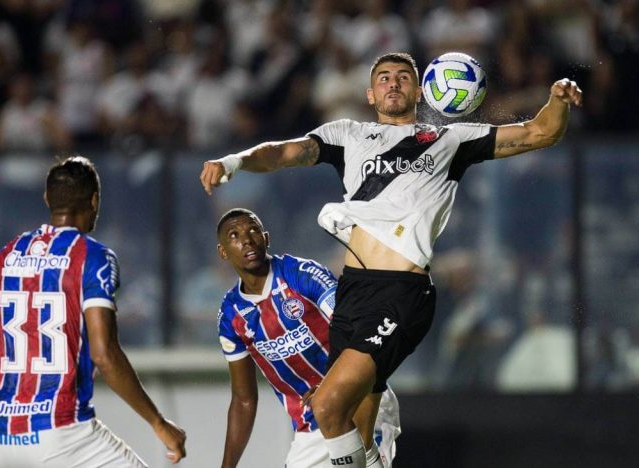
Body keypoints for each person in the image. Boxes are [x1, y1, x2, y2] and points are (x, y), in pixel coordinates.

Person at [200, 52, 582, 467]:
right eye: (383, 78)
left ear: (421, 92)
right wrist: (234, 161)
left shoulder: (450, 142)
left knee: (326, 406)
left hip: (401, 293)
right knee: (360, 438)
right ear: (370, 93)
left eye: (403, 77)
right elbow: (282, 152)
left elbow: (539, 133)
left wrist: (558, 100)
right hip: (353, 291)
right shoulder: (346, 135)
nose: (393, 83)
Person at [0, 156, 186, 467]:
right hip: (61, 431)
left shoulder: (6, 256)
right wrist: (157, 422)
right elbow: (104, 354)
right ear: (95, 200)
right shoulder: (93, 256)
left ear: (47, 199)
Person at [215, 208, 400, 468]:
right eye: (234, 235)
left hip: (358, 401)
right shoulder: (231, 314)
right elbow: (244, 399)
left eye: (253, 230)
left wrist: (332, 385)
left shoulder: (302, 274)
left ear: (266, 238)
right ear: (223, 252)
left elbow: (356, 332)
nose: (246, 239)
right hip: (310, 429)